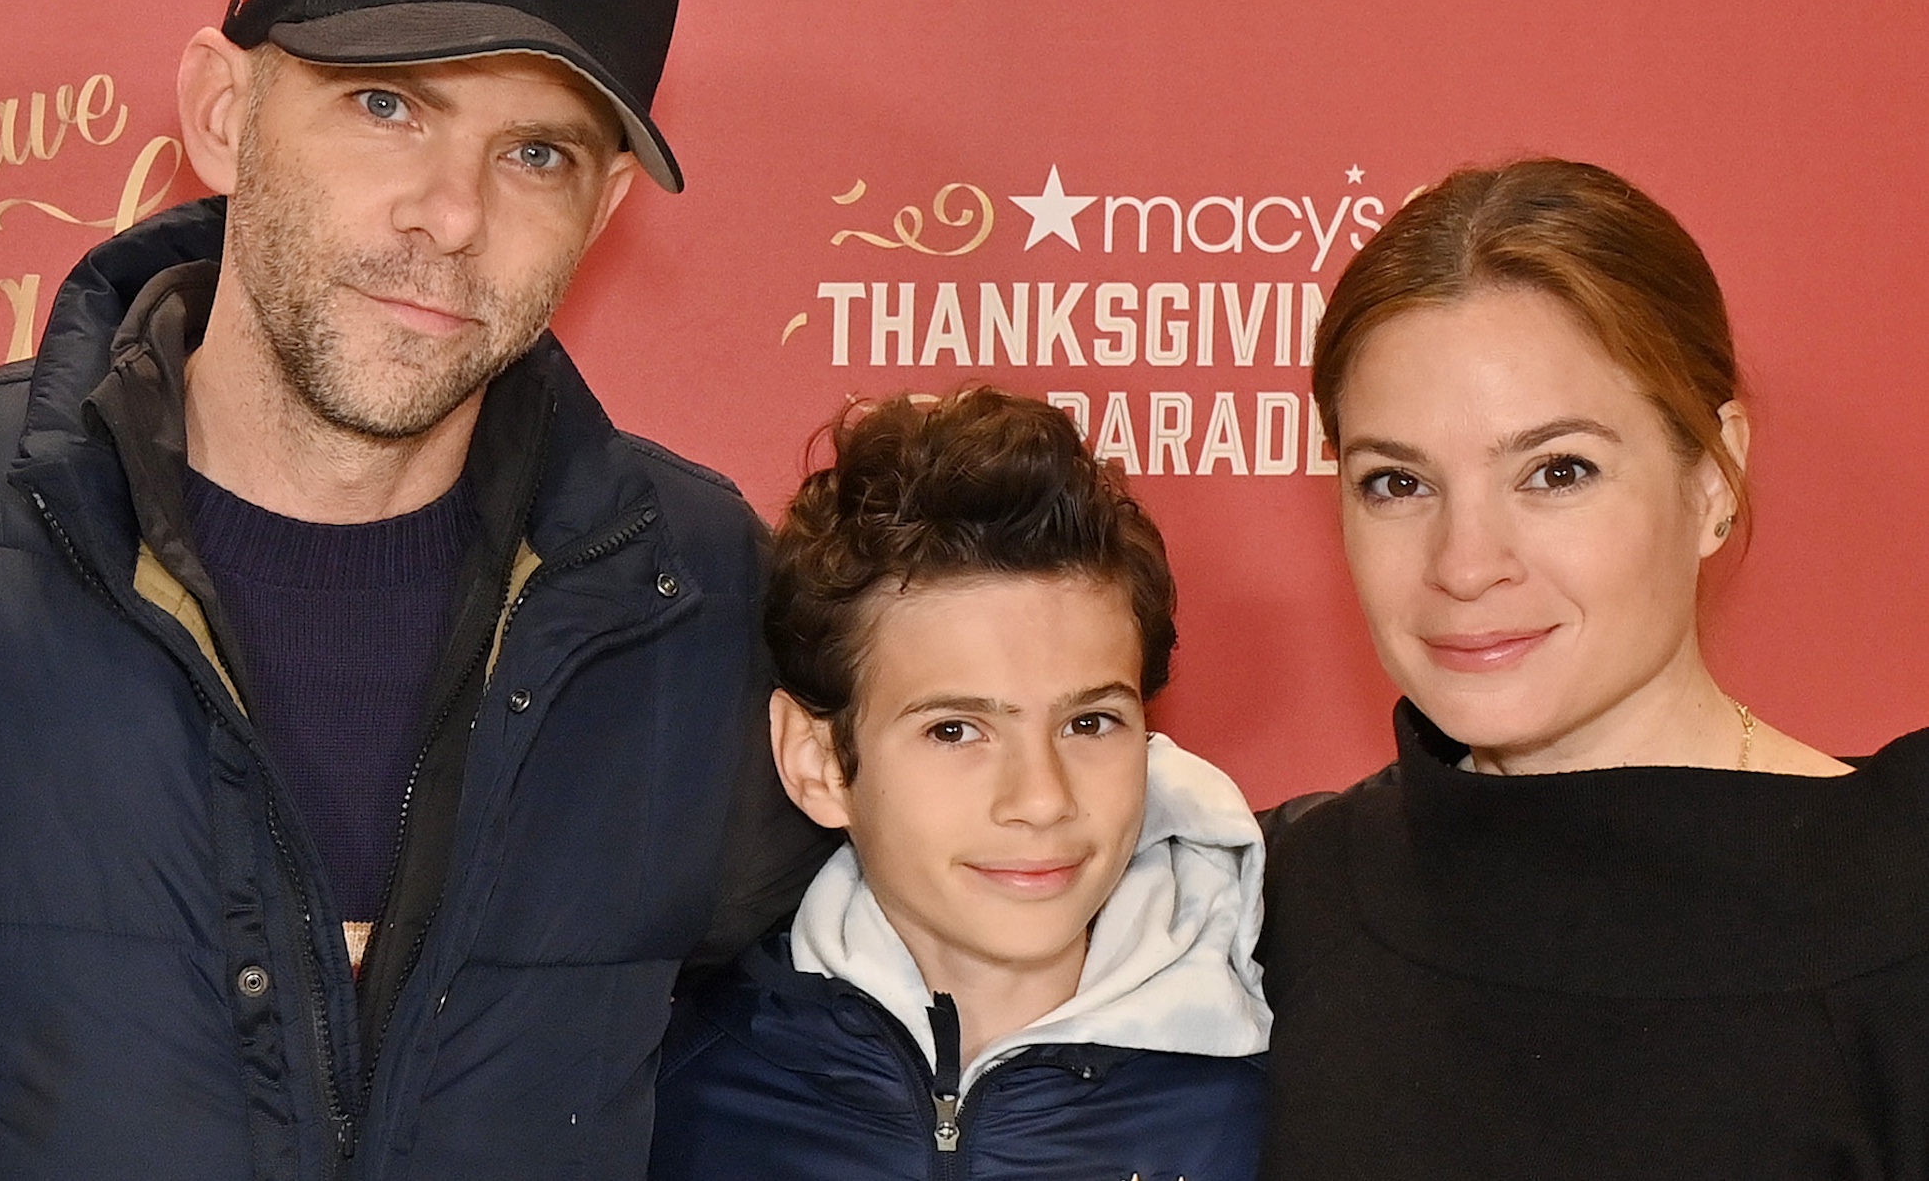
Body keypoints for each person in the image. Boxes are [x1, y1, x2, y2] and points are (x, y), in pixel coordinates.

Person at [0, 0, 829, 1179]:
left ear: (606, 209)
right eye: (387, 105)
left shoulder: (702, 595)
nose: (451, 214)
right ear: (224, 114)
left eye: (538, 153)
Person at [1257, 158, 1929, 1179]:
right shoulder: (1276, 902)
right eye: (1397, 481)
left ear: (1711, 475)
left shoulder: (1904, 890)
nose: (1466, 563)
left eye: (1556, 471)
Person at [649, 388, 1272, 1180]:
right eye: (955, 731)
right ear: (819, 762)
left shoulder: (1289, 1088)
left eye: (1089, 724)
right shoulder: (682, 1093)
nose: (1042, 799)